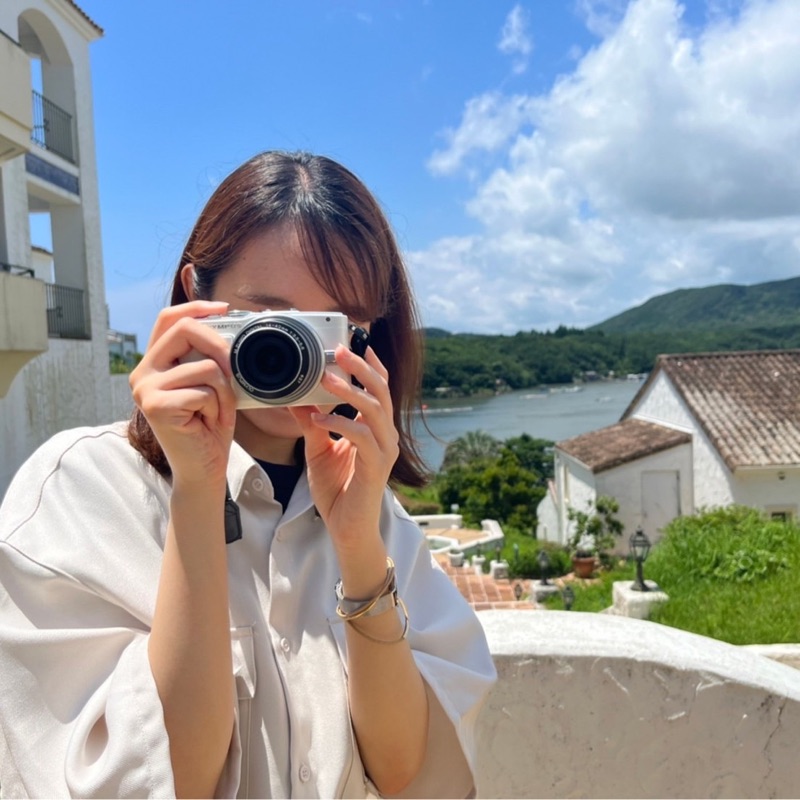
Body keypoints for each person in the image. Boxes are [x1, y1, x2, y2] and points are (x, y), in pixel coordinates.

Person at [0, 151, 496, 799]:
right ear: (195, 299)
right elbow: (166, 782)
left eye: (332, 326)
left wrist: (357, 545)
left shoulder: (376, 515)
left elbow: (403, 769)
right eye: (271, 322)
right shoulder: (82, 493)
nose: (297, 354)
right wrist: (198, 490)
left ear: (367, 334)